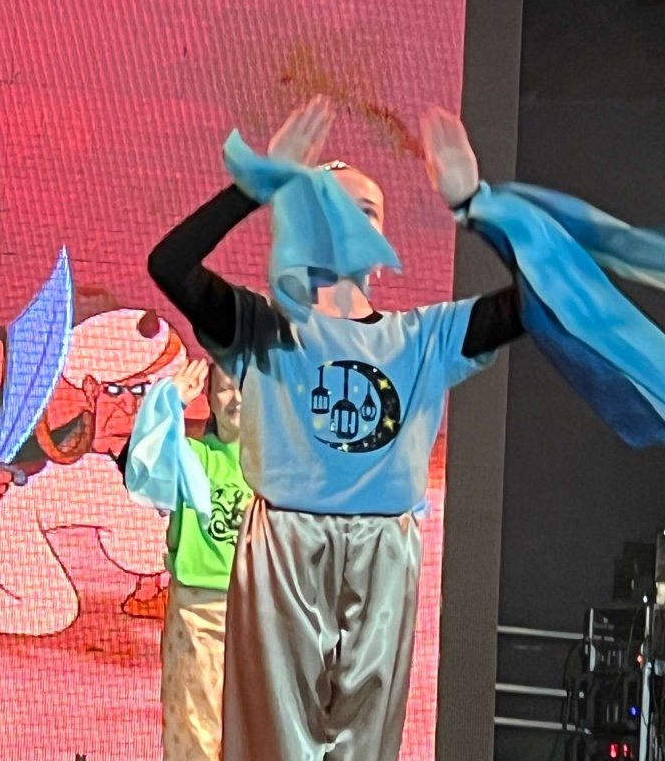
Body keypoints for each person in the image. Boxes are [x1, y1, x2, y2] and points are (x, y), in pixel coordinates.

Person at [146, 97, 523, 761]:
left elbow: (544, 298)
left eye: (368, 211)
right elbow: (170, 265)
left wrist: (477, 207)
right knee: (273, 745)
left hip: (384, 554)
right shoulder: (264, 329)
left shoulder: (423, 338)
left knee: (366, 746)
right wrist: (256, 184)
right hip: (285, 553)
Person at [119, 358, 252, 761]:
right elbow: (143, 461)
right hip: (199, 611)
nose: (236, 398)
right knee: (196, 726)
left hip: (261, 610)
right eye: (225, 388)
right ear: (209, 397)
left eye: (246, 387)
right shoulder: (190, 456)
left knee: (262, 727)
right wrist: (170, 401)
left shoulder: (279, 468)